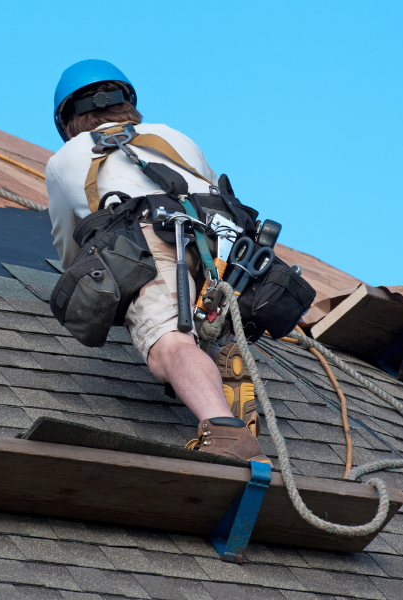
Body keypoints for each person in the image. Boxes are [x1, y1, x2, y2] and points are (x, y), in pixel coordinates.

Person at [47, 59, 270, 464]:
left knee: (168, 344)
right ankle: (217, 353)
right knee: (208, 314)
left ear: (68, 120)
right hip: (223, 246)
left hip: (149, 237)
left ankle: (223, 428)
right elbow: (217, 193)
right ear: (127, 102)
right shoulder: (172, 136)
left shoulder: (66, 156)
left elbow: (70, 249)